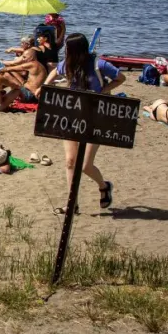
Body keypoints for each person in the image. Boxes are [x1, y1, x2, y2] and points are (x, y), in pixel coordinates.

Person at [43, 33, 125, 214]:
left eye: (68, 48)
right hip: (72, 116)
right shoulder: (68, 64)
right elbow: (56, 71)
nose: (66, 51)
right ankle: (72, 204)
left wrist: (104, 90)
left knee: (85, 164)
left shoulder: (99, 64)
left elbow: (121, 78)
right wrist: (46, 85)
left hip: (96, 117)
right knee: (70, 162)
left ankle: (104, 186)